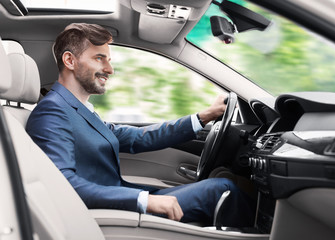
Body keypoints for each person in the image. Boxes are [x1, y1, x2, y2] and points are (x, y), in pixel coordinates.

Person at [26, 23, 254, 227]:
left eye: (109, 60)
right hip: (107, 215)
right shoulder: (52, 112)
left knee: (220, 187)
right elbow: (63, 185)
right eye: (99, 58)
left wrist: (203, 116)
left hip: (118, 199)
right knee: (221, 189)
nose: (109, 69)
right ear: (69, 61)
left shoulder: (75, 109)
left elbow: (138, 137)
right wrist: (145, 200)